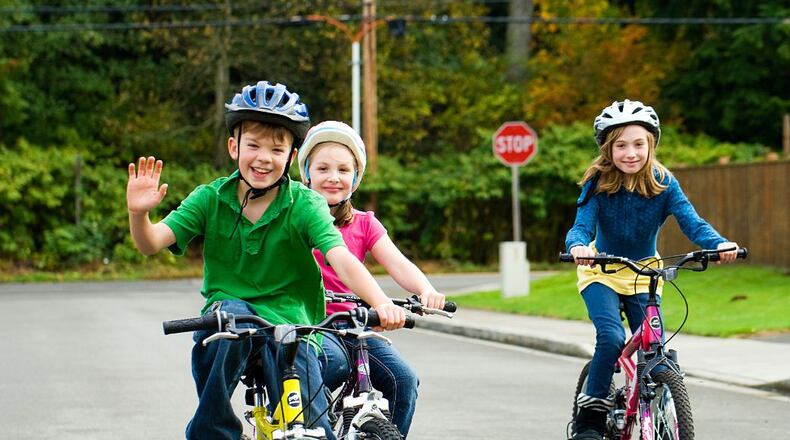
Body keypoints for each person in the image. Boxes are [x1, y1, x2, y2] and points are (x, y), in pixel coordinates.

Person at [126, 81, 406, 440]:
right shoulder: (209, 199)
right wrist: (139, 215)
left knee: (314, 430)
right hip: (230, 322)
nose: (263, 158)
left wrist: (380, 302)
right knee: (231, 320)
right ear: (233, 146)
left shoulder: (305, 204)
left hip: (294, 328)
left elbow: (341, 258)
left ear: (291, 157)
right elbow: (151, 243)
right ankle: (214, 431)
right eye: (253, 145)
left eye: (277, 149)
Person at [565, 99, 739, 440]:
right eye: (621, 145)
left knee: (654, 345)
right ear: (607, 148)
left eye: (639, 144)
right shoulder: (598, 182)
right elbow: (581, 226)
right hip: (602, 271)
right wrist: (578, 247)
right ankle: (591, 416)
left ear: (651, 145)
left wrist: (718, 244)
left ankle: (656, 404)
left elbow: (692, 222)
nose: (630, 152)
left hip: (645, 273)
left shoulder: (663, 182)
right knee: (612, 338)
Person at [295, 120, 445, 438]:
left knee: (404, 380)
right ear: (306, 174)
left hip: (357, 324)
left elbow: (398, 264)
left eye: (343, 170)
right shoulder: (296, 217)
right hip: (314, 325)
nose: (333, 177)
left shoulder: (365, 224)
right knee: (331, 364)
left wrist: (425, 289)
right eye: (322, 169)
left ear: (355, 178)